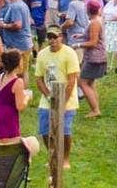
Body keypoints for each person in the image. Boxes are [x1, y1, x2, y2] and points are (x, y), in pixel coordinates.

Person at [34, 26, 80, 173]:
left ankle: (65, 158)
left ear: (61, 37)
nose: (52, 40)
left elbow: (72, 79)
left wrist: (62, 101)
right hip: (48, 98)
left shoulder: (69, 53)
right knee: (44, 130)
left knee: (65, 130)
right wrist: (48, 95)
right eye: (50, 37)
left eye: (55, 37)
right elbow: (39, 78)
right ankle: (53, 155)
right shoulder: (42, 54)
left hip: (67, 98)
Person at [0, 48, 33, 147]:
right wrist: (27, 97)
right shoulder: (18, 81)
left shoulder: (0, 76)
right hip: (7, 120)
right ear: (18, 63)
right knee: (9, 155)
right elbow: (20, 106)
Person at [0, 0, 34, 75]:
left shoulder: (15, 6)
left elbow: (18, 25)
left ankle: (19, 89)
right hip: (24, 43)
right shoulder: (22, 4)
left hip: (18, 45)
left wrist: (3, 25)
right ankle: (23, 89)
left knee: (17, 73)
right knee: (23, 72)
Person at [79, 0, 106, 117]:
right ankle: (96, 108)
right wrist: (81, 36)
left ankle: (95, 110)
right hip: (97, 57)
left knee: (82, 82)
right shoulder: (98, 20)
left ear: (88, 10)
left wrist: (78, 45)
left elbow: (93, 42)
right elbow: (93, 36)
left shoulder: (95, 23)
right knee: (90, 83)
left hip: (94, 58)